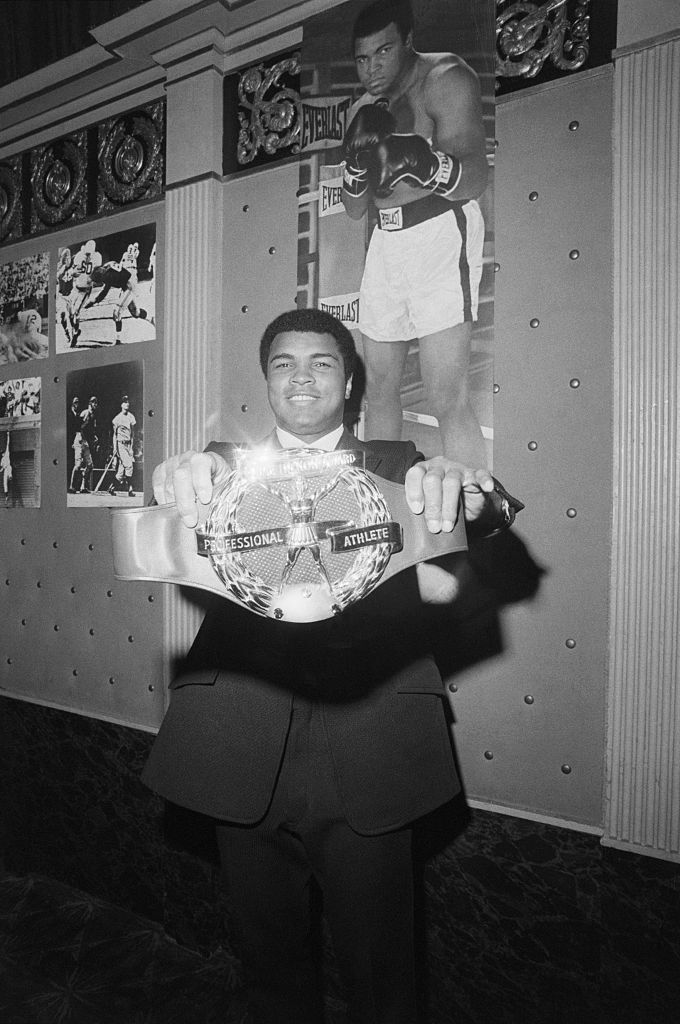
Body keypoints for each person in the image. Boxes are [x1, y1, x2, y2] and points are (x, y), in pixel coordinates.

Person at [146, 308, 521, 1024]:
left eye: (321, 363)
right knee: (268, 974)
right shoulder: (218, 471)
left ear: (349, 382)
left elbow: (488, 524)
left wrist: (471, 492)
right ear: (266, 382)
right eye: (284, 363)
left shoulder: (404, 467)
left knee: (383, 979)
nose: (302, 377)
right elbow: (162, 514)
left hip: (372, 748)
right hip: (240, 749)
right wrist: (177, 479)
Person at [342, 0, 488, 466]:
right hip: (386, 243)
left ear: (408, 40)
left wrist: (426, 163)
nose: (372, 69)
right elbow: (351, 208)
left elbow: (475, 179)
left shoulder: (445, 80)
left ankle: (475, 513)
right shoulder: (362, 109)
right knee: (379, 392)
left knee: (447, 394)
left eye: (383, 52)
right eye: (362, 59)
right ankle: (382, 508)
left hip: (440, 232)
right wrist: (355, 171)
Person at [108, 395, 137, 497]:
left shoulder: (131, 417)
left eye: (128, 401)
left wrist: (131, 448)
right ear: (121, 405)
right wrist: (115, 449)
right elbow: (114, 435)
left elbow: (133, 434)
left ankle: (111, 488)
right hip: (120, 444)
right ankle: (130, 489)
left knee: (121, 471)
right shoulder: (117, 419)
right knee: (129, 466)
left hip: (128, 445)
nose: (127, 403)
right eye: (125, 402)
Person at [70, 395, 98, 494]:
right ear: (90, 404)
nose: (96, 405)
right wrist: (76, 440)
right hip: (79, 440)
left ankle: (83, 486)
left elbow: (91, 430)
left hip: (85, 441)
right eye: (94, 403)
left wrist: (94, 437)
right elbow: (78, 425)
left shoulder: (93, 416)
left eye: (96, 403)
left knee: (90, 465)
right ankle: (72, 487)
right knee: (78, 465)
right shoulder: (85, 413)